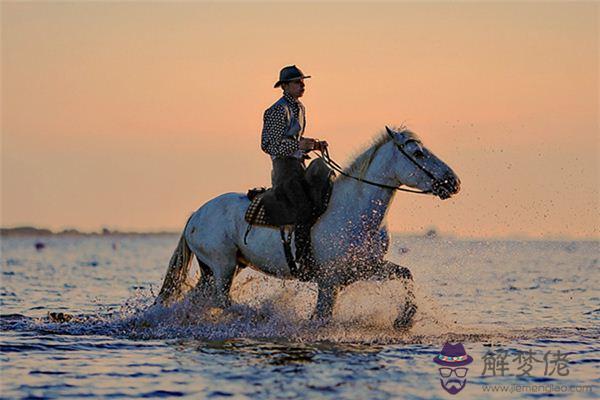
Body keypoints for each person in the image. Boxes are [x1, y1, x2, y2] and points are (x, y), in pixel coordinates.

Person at [260, 65, 327, 277]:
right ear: (285, 86)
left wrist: (313, 145)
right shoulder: (277, 110)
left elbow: (296, 141)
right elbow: (268, 145)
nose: (302, 85)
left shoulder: (300, 107)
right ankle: (304, 262)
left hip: (299, 166)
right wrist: (299, 146)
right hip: (284, 171)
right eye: (298, 82)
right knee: (304, 209)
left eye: (302, 81)